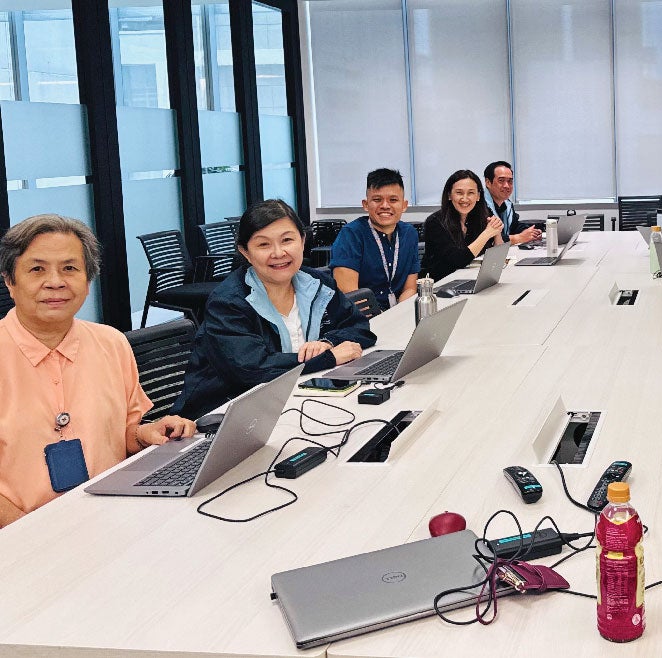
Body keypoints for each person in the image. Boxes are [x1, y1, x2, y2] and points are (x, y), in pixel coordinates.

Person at [0, 214, 196, 526]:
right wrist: (28, 536)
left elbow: (123, 436)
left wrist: (146, 434)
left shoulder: (112, 343)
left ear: (87, 281)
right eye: (37, 269)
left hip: (114, 519)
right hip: (20, 536)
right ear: (10, 281)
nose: (55, 281)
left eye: (70, 268)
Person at [172, 200, 376, 418]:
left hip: (297, 402)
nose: (278, 253)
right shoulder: (228, 303)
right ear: (246, 252)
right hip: (224, 416)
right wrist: (329, 358)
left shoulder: (317, 283)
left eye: (287, 240)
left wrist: (328, 343)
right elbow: (253, 370)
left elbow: (359, 327)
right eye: (263, 245)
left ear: (303, 241)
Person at [330, 168, 421, 309]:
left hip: (396, 313)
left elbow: (410, 288)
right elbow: (349, 296)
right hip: (362, 318)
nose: (385, 206)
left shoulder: (409, 234)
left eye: (393, 200)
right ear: (365, 205)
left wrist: (399, 314)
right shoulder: (351, 235)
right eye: (377, 200)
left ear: (404, 205)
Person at [421, 170, 504, 282]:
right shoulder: (435, 222)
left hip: (471, 279)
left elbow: (498, 258)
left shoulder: (482, 215)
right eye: (459, 193)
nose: (465, 199)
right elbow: (458, 260)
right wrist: (487, 233)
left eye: (470, 193)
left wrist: (497, 232)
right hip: (440, 286)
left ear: (478, 196)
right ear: (449, 195)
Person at [482, 160, 541, 245]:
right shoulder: (479, 205)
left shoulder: (507, 203)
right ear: (488, 182)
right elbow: (488, 239)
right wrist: (518, 238)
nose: (507, 186)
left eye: (510, 181)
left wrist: (530, 232)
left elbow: (514, 226)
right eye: (501, 180)